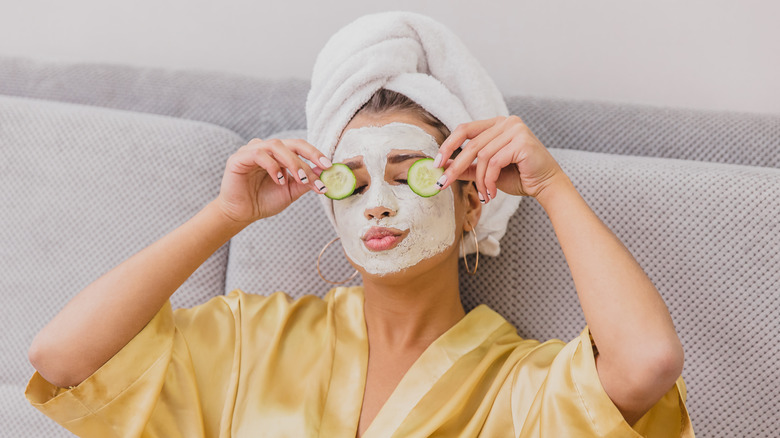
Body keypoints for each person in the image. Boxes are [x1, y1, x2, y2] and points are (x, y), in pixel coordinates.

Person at [26, 12, 693, 438]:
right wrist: (224, 215)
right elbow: (61, 357)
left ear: (470, 202)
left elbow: (647, 362)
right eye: (352, 180)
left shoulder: (520, 388)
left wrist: (552, 187)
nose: (377, 202)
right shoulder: (250, 338)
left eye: (410, 173)